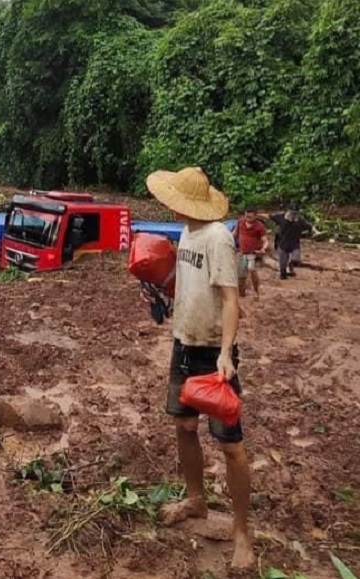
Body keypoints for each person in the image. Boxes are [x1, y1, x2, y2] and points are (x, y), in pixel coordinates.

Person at [145, 166, 254, 569]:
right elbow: (188, 283)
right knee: (184, 426)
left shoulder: (218, 238)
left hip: (211, 352)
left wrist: (226, 353)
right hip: (183, 346)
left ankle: (242, 532)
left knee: (231, 444)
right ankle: (196, 498)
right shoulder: (187, 231)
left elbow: (230, 299)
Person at [233, 207, 268, 297]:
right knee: (241, 275)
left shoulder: (259, 226)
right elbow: (235, 233)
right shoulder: (240, 222)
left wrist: (263, 248)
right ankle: (242, 294)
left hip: (252, 252)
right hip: (241, 251)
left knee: (251, 268)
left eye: (250, 217)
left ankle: (256, 290)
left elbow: (265, 240)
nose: (247, 219)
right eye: (246, 216)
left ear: (255, 216)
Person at [270, 206, 312, 279]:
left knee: (296, 260)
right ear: (288, 212)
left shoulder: (300, 220)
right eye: (291, 213)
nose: (293, 215)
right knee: (282, 267)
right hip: (282, 244)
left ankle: (291, 266)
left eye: (295, 213)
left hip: (294, 244)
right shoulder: (281, 217)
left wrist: (305, 234)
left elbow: (309, 227)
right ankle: (284, 274)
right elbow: (271, 216)